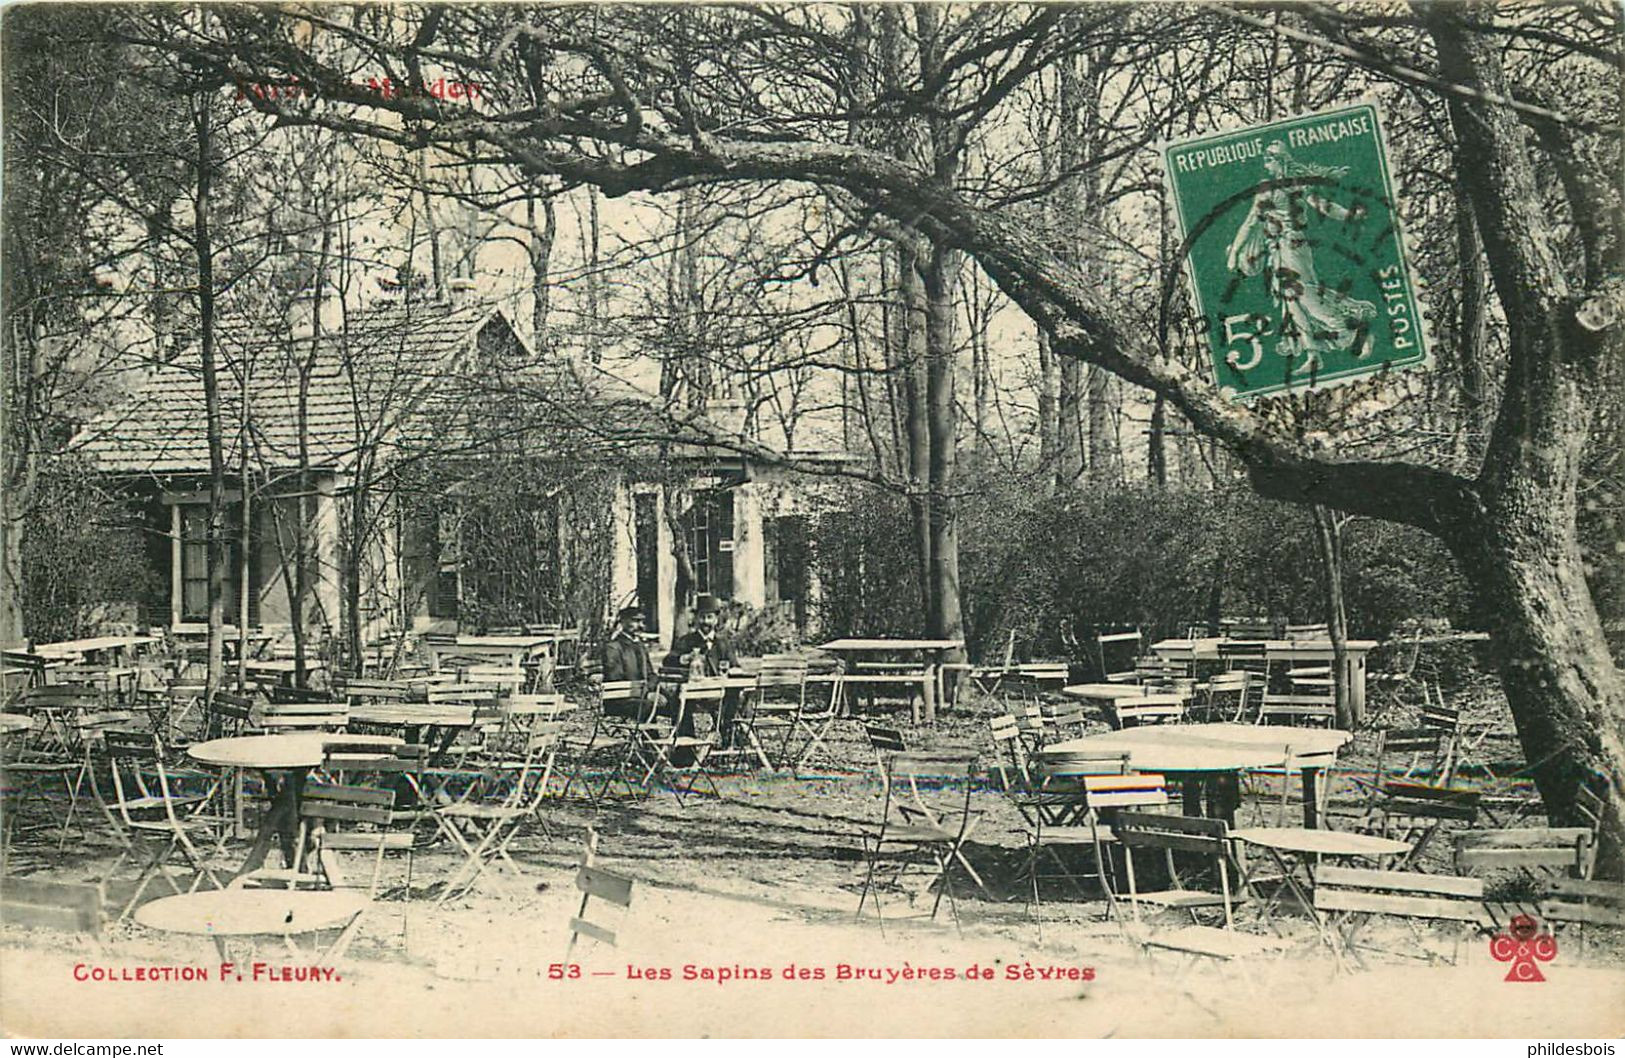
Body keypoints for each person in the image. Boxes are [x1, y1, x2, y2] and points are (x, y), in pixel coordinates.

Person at [1225, 140, 1377, 370]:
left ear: (1280, 162)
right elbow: (1253, 221)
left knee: (1305, 295)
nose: (1266, 166)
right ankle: (1313, 354)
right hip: (1280, 249)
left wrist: (1349, 216)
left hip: (1292, 247)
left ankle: (1350, 329)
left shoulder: (1287, 186)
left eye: (1269, 160)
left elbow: (1323, 206)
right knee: (1292, 303)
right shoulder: (1283, 185)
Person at [662, 594, 740, 746]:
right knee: (680, 704)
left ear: (716, 619)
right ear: (696, 619)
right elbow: (668, 661)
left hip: (719, 692)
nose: (705, 622)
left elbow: (735, 665)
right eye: (702, 617)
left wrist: (734, 670)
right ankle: (686, 750)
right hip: (694, 694)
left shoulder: (724, 643)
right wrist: (684, 658)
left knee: (736, 699)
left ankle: (733, 742)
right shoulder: (686, 640)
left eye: (709, 617)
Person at [598, 605, 658, 720]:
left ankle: (686, 737)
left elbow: (651, 674)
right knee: (647, 706)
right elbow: (615, 679)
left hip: (642, 695)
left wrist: (653, 690)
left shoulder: (640, 646)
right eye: (635, 621)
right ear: (623, 622)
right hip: (619, 700)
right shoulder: (613, 648)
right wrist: (645, 695)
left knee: (678, 701)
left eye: (642, 621)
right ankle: (650, 738)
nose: (640, 625)